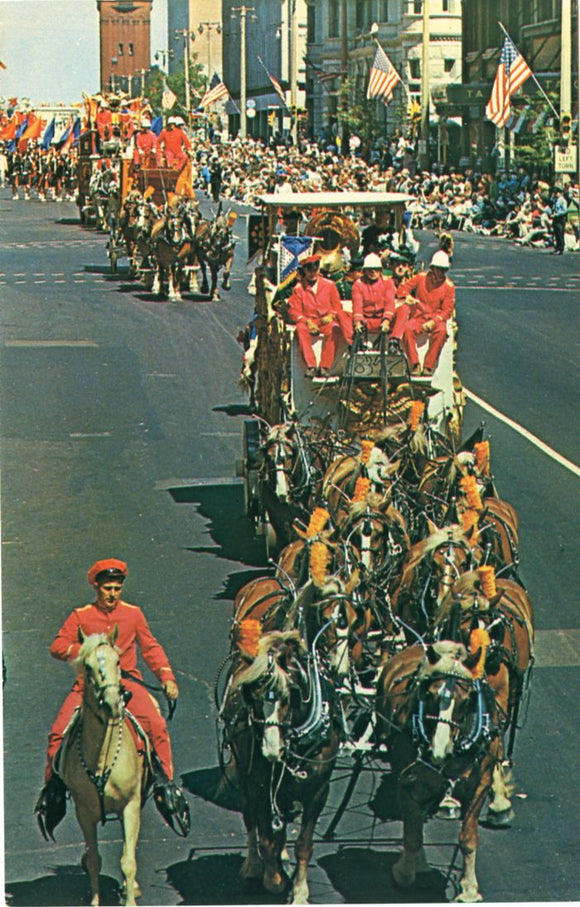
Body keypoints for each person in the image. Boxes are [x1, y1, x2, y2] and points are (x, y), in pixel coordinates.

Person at [35, 558, 190, 838]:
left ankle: (165, 786)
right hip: (89, 685)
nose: (112, 594)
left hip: (127, 683)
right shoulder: (81, 615)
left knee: (157, 727)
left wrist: (166, 677)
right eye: (107, 588)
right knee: (58, 733)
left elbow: (150, 647)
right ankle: (53, 791)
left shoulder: (133, 614)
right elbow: (57, 646)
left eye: (117, 588)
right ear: (96, 588)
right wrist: (85, 651)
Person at [391, 249, 455, 376]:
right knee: (408, 329)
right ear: (433, 268)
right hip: (419, 316)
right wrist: (406, 297)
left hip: (436, 318)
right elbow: (402, 290)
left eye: (443, 270)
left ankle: (429, 366)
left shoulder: (449, 286)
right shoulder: (421, 278)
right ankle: (414, 363)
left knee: (441, 332)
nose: (440, 273)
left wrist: (434, 321)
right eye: (438, 269)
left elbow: (447, 311)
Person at [288, 254, 350, 377]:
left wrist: (331, 315)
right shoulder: (299, 289)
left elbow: (337, 306)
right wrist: (307, 321)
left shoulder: (329, 285)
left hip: (325, 320)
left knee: (335, 329)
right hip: (309, 321)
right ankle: (311, 366)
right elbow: (294, 311)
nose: (312, 273)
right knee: (300, 329)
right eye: (309, 270)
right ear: (304, 271)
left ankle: (325, 366)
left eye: (315, 269)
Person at [351, 252, 397, 341]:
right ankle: (354, 342)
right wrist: (358, 322)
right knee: (342, 315)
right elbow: (357, 305)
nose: (373, 272)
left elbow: (389, 303)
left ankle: (394, 340)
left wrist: (386, 321)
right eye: (370, 270)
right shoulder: (358, 284)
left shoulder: (388, 282)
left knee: (403, 309)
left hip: (383, 320)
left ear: (380, 270)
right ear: (364, 271)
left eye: (376, 270)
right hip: (366, 321)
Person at [550, 187, 568, 254]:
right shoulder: (556, 200)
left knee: (560, 233)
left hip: (560, 218)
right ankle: (557, 248)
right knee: (556, 233)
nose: (555, 194)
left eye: (556, 193)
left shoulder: (563, 200)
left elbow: (564, 210)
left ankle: (560, 249)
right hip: (555, 218)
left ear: (560, 193)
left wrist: (557, 214)